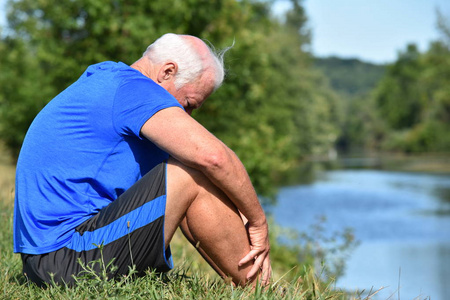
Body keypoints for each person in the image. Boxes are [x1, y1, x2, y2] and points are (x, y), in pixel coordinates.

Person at [13, 33, 271, 287]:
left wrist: (240, 212)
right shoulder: (133, 89)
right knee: (191, 171)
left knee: (190, 168)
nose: (188, 116)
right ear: (167, 71)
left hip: (50, 260)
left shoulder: (110, 82)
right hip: (66, 259)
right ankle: (264, 289)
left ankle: (258, 287)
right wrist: (257, 221)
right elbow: (214, 157)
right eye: (189, 103)